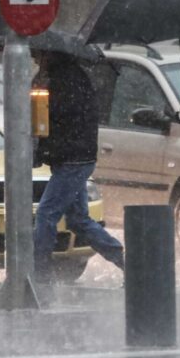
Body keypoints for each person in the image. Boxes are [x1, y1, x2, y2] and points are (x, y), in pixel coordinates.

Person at [32, 51, 125, 287]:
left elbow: (53, 117)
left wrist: (41, 94)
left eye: (37, 55)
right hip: (71, 158)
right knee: (77, 219)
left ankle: (38, 272)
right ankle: (126, 261)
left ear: (51, 55)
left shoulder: (67, 79)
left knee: (46, 213)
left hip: (73, 159)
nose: (35, 59)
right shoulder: (62, 76)